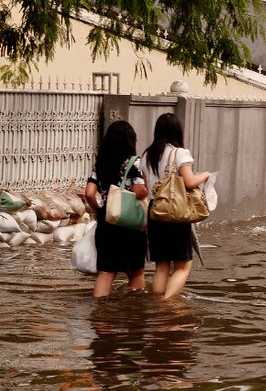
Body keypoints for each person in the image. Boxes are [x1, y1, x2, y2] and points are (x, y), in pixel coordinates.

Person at [141, 113, 210, 299]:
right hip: (175, 212)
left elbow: (148, 187)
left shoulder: (147, 155)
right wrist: (204, 175)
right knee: (183, 266)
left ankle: (156, 303)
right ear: (177, 131)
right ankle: (167, 302)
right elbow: (189, 182)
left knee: (161, 267)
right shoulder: (180, 153)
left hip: (155, 212)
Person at [85, 120, 149, 298]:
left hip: (107, 219)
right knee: (136, 272)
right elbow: (140, 192)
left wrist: (98, 210)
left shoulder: (100, 164)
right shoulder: (134, 163)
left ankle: (100, 316)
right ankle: (134, 313)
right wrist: (147, 189)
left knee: (106, 272)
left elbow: (89, 193)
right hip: (130, 222)